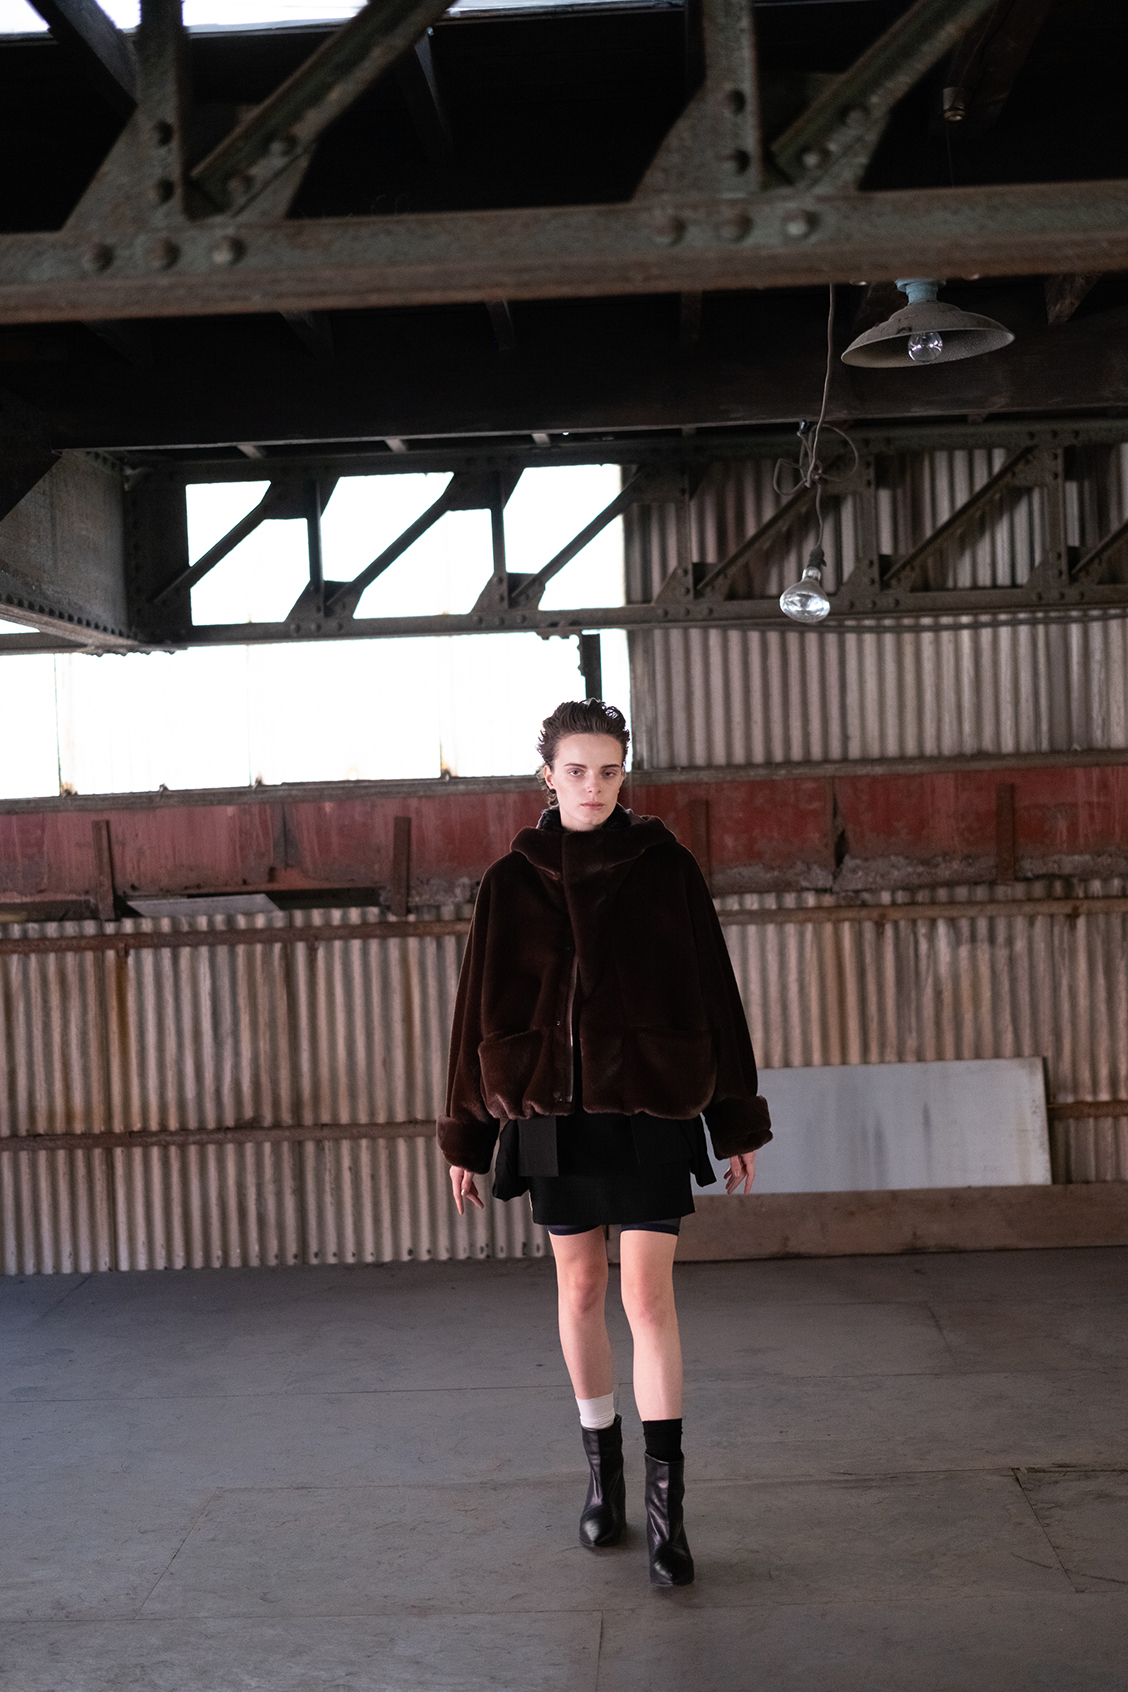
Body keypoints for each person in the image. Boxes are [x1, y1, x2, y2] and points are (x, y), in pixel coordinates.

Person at [439, 699, 771, 1587]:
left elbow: (716, 993)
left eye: (610, 771)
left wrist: (735, 1118)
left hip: (651, 1107)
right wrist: (467, 1137)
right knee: (581, 1288)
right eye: (577, 771)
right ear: (547, 776)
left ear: (626, 774)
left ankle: (668, 1517)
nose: (594, 786)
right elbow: (476, 1011)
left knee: (647, 1299)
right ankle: (602, 1480)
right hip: (551, 1112)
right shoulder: (510, 881)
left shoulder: (666, 868)